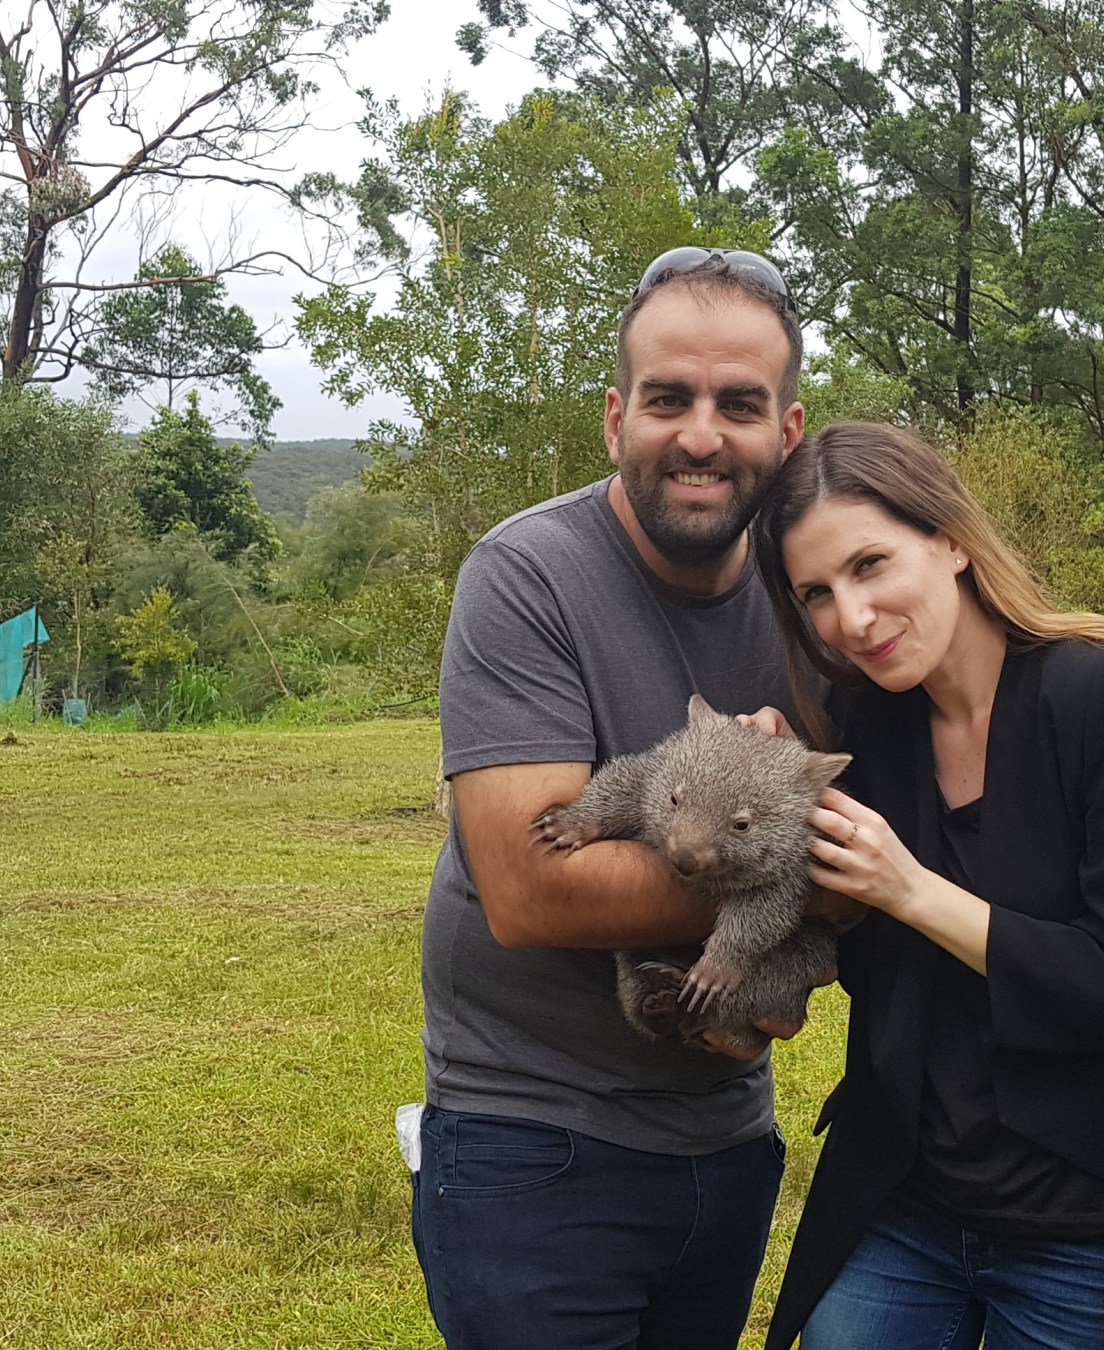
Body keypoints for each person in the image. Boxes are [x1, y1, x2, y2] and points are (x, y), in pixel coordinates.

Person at [749, 423, 1104, 1350]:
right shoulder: (873, 723)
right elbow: (864, 953)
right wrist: (778, 799)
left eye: (872, 564)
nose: (852, 619)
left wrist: (912, 891)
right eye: (817, 594)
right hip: (910, 1202)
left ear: (950, 540)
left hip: (1091, 1225)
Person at [413, 247, 831, 1350]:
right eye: (668, 400)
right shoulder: (528, 574)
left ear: (786, 435)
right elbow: (530, 892)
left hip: (730, 1135)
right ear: (615, 419)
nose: (701, 435)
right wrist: (802, 880)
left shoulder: (826, 595)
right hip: (534, 1143)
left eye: (740, 404)